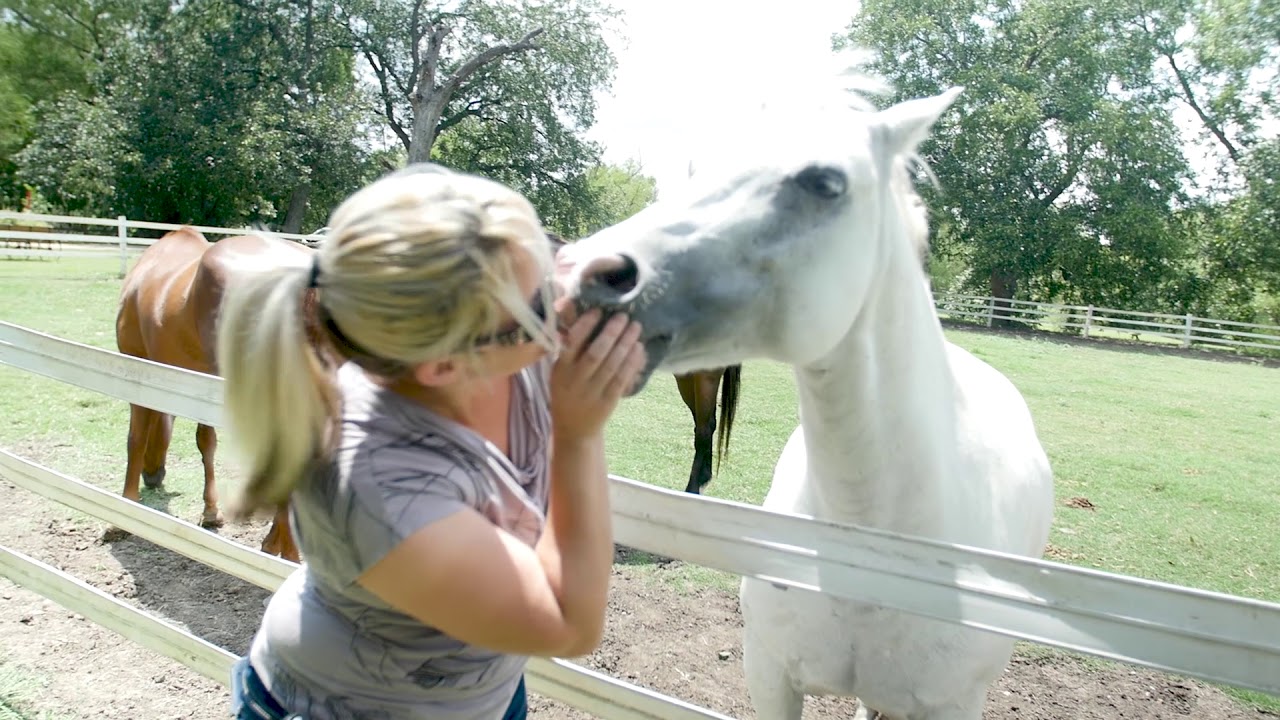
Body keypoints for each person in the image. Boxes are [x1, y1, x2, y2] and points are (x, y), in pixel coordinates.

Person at [215, 162, 646, 720]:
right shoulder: (372, 483)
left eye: (551, 250)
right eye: (537, 299)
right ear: (444, 365)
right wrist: (578, 434)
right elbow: (569, 624)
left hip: (476, 696)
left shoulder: (508, 348)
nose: (568, 290)